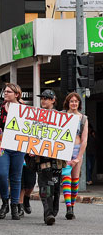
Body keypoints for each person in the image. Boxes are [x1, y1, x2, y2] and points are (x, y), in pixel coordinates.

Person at [33, 89, 64, 225]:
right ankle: (48, 214)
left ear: (53, 100)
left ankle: (53, 209)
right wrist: (30, 149)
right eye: (42, 98)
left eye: (46, 98)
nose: (44, 100)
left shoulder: (61, 117)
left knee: (55, 187)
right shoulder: (36, 116)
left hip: (56, 158)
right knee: (44, 187)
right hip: (42, 158)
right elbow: (30, 134)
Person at [0, 83, 25, 220]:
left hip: (18, 146)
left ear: (16, 94)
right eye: (4, 91)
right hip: (3, 146)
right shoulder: (0, 108)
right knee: (1, 174)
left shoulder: (24, 109)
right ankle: (5, 201)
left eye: (8, 92)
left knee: (16, 176)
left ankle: (14, 206)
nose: (5, 93)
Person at [62, 92, 88, 220]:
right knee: (66, 177)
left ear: (79, 103)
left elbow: (84, 140)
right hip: (64, 150)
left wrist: (78, 157)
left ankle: (73, 204)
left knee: (75, 179)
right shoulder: (62, 115)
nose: (73, 103)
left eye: (76, 101)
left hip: (77, 149)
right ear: (68, 102)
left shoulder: (83, 118)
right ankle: (68, 207)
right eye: (71, 101)